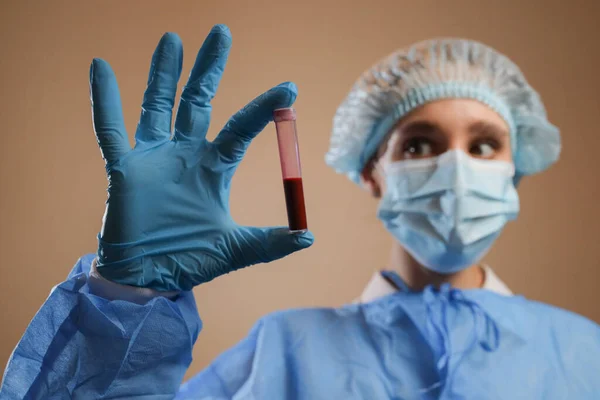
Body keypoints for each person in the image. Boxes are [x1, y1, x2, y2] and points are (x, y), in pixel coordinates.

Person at [1, 24, 599, 399]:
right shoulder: (282, 352)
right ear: (372, 169)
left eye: (485, 145)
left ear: (515, 169)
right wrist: (126, 296)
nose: (456, 169)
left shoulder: (585, 356)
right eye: (419, 144)